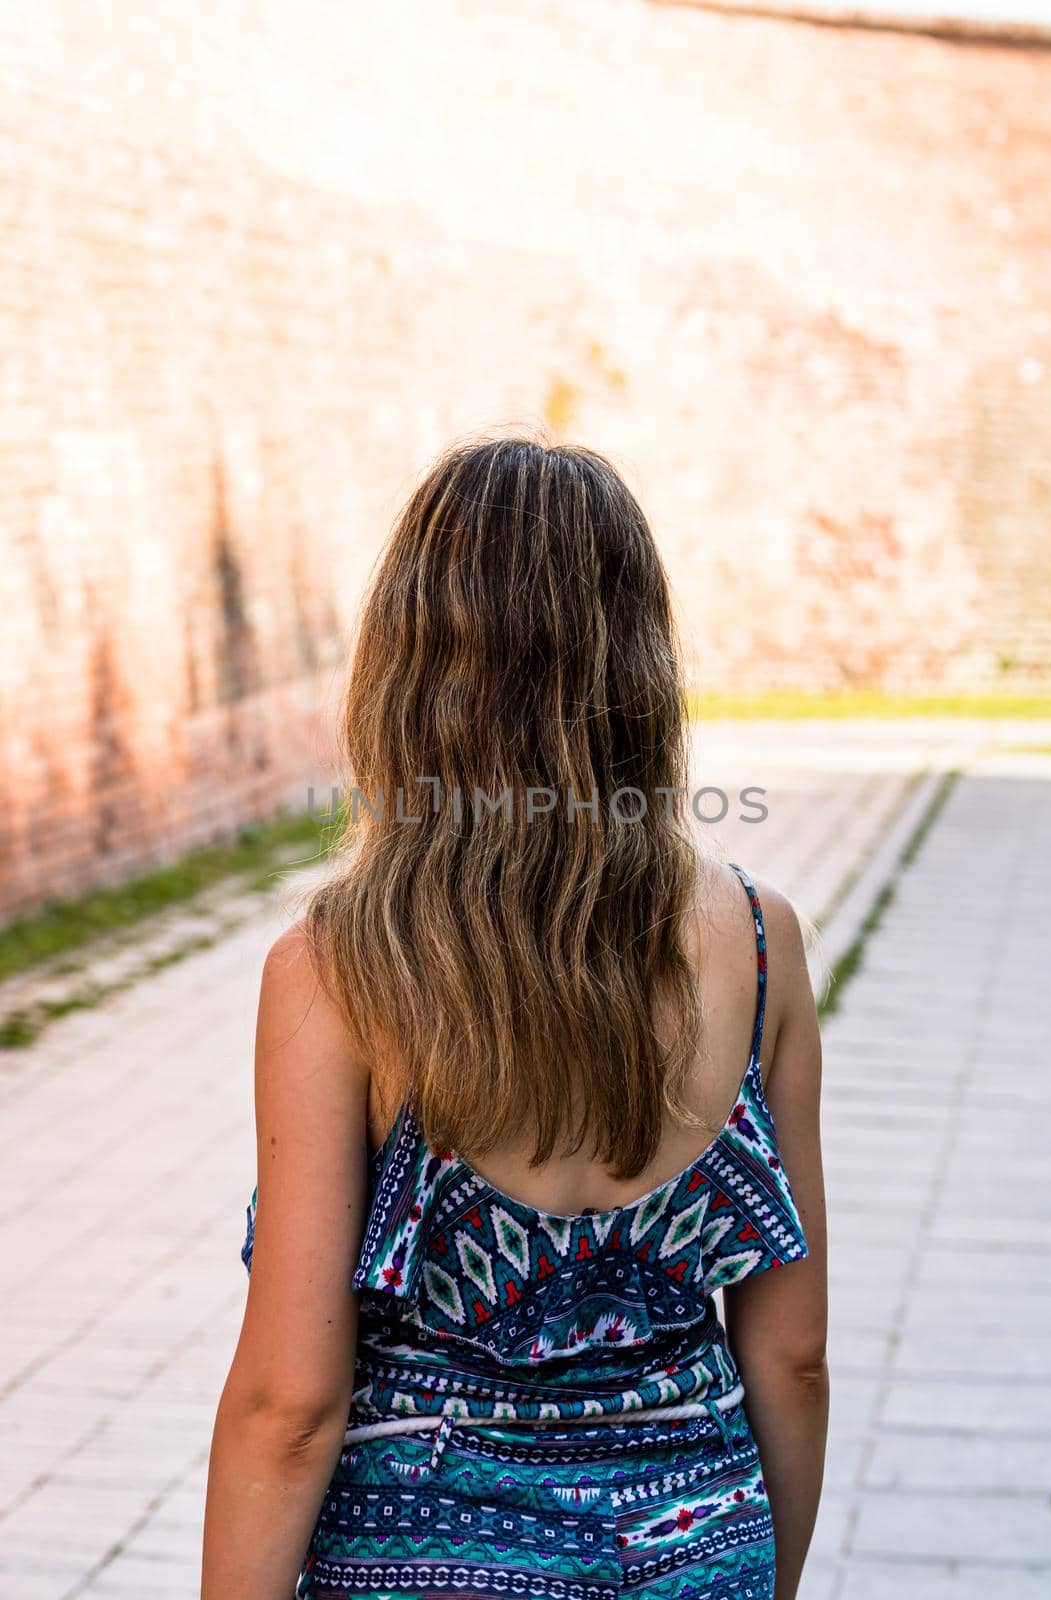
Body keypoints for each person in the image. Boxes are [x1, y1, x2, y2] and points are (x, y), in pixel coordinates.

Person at [201, 435, 828, 1600]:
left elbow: (290, 1403)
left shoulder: (338, 971)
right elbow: (788, 1356)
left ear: (407, 663)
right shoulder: (756, 940)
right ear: (637, 662)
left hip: (420, 1562)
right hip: (686, 1554)